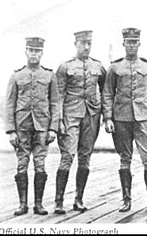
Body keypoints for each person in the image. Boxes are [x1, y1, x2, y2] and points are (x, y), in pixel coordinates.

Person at [102, 28, 147, 212]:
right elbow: (107, 94)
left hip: (143, 118)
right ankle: (126, 200)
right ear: (123, 44)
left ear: (139, 43)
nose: (131, 45)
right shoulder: (115, 68)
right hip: (121, 119)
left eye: (134, 41)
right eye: (128, 42)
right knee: (124, 159)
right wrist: (108, 118)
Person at [54, 30, 106, 214]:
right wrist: (58, 121)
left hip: (91, 115)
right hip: (70, 115)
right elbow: (58, 96)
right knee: (68, 155)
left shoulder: (98, 66)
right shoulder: (65, 67)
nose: (86, 47)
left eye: (89, 43)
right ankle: (58, 201)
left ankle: (78, 199)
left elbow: (106, 92)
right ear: (75, 43)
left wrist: (106, 115)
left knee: (85, 156)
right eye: (82, 43)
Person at [5, 37, 59, 216]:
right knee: (21, 164)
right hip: (22, 128)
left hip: (42, 128)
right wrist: (11, 130)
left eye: (37, 51)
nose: (34, 54)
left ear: (42, 53)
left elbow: (55, 104)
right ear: (26, 52)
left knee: (40, 165)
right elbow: (9, 104)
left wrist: (53, 128)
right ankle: (22, 205)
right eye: (31, 50)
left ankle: (38, 204)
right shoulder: (17, 76)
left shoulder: (49, 76)